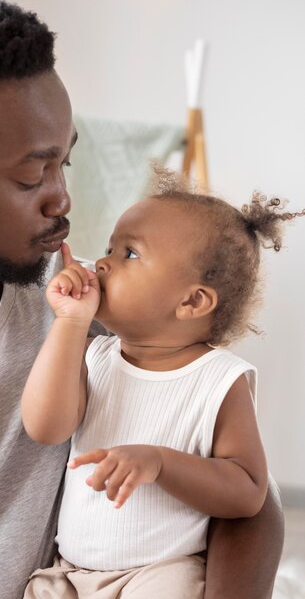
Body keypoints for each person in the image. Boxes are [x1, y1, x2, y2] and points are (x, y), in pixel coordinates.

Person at [0, 0, 283, 599]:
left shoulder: (82, 295)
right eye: (31, 176)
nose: (62, 199)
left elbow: (251, 498)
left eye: (64, 163)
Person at [22, 179, 303, 598]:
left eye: (129, 254)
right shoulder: (92, 355)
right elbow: (45, 427)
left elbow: (247, 492)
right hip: (70, 574)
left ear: (192, 302)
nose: (101, 263)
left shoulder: (219, 380)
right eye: (109, 247)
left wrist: (160, 463)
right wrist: (70, 322)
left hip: (159, 576)